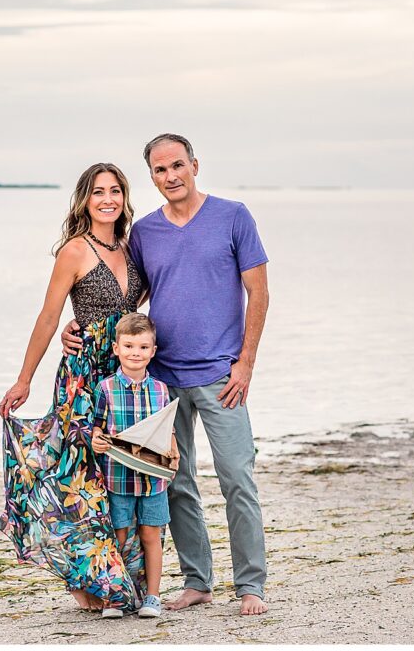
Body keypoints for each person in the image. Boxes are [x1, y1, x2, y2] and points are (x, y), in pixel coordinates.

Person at [62, 133, 270, 616]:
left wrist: (246, 364)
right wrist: (80, 325)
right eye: (160, 170)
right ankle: (198, 581)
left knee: (237, 476)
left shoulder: (233, 216)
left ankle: (251, 586)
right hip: (160, 380)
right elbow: (125, 298)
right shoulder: (146, 233)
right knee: (172, 481)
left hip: (222, 376)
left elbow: (258, 294)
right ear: (151, 177)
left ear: (195, 164)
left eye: (178, 165)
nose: (171, 176)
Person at [0, 162, 150, 614]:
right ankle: (92, 581)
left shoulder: (131, 245)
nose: (108, 199)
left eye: (116, 190)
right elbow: (48, 316)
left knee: (118, 476)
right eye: (99, 191)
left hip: (123, 377)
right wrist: (24, 378)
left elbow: (132, 304)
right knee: (79, 478)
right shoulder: (75, 251)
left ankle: (120, 579)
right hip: (83, 377)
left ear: (124, 196)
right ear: (84, 199)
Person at [90, 313, 179, 620]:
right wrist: (97, 441)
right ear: (116, 348)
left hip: (153, 479)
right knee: (120, 535)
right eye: (128, 346)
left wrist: (174, 454)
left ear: (153, 351)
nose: (135, 353)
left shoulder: (161, 390)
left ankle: (152, 596)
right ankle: (116, 596)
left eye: (143, 347)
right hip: (118, 478)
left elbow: (167, 429)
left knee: (151, 534)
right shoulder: (105, 389)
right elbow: (97, 429)